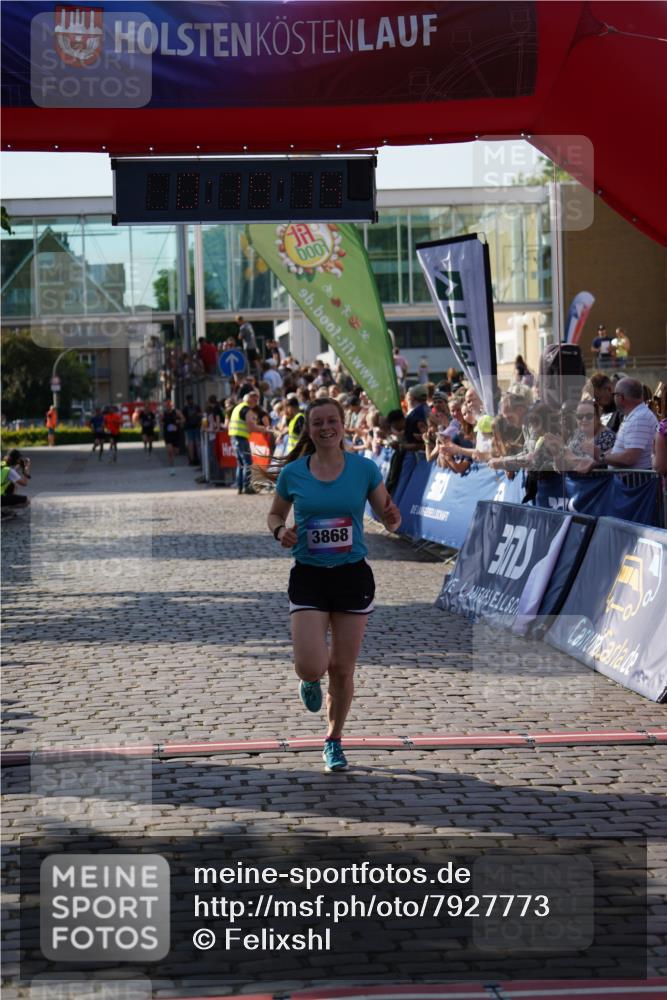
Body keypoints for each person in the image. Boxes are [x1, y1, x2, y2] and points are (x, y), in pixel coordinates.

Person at [265, 399, 401, 772]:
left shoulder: (363, 469)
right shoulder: (293, 473)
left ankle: (333, 740)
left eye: (332, 421)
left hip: (351, 575)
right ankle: (309, 680)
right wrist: (281, 530)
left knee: (342, 669)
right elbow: (275, 512)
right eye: (317, 422)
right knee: (312, 666)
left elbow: (389, 517)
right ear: (309, 429)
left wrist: (392, 517)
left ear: (344, 426)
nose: (326, 428)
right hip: (309, 574)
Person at [604, 377, 658, 469]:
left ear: (621, 397)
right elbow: (623, 450)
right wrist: (606, 454)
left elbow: (628, 458)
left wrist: (601, 457)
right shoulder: (634, 415)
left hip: (635, 482)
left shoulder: (639, 418)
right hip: (629, 481)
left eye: (614, 394)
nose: (613, 398)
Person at [228, 389, 266, 494]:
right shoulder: (246, 409)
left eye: (257, 398)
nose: (256, 401)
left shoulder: (237, 407)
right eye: (254, 398)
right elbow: (250, 426)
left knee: (240, 464)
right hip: (241, 438)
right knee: (247, 463)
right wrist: (261, 429)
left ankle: (240, 487)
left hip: (235, 437)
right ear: (249, 399)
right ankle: (247, 487)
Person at [1, 449, 31, 514]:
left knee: (12, 485)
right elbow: (24, 483)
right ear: (15, 460)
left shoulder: (2, 464)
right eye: (18, 459)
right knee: (27, 501)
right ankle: (4, 510)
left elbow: (9, 472)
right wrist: (26, 469)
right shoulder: (10, 471)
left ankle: (4, 507)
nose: (19, 460)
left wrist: (18, 466)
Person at [161, 398, 184, 475]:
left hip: (176, 434)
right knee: (170, 451)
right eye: (166, 404)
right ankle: (172, 468)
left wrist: (179, 421)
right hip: (168, 435)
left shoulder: (176, 412)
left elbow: (183, 419)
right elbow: (160, 422)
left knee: (176, 452)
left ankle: (173, 458)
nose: (167, 406)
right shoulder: (163, 413)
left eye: (169, 404)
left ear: (171, 404)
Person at [181, 395, 202, 466]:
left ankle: (192, 460)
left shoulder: (185, 408)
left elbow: (183, 419)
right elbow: (200, 415)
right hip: (196, 427)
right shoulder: (196, 407)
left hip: (188, 428)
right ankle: (199, 459)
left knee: (190, 445)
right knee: (197, 444)